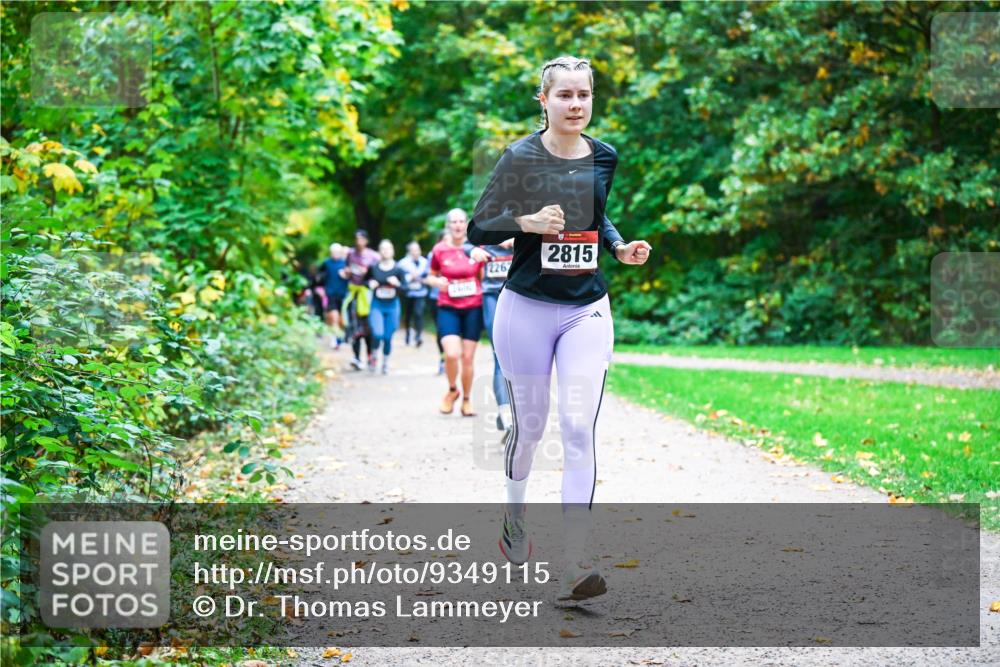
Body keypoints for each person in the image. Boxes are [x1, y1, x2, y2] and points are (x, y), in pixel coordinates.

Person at [467, 55, 651, 602]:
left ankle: (576, 560)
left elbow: (597, 216)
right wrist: (525, 223)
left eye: (584, 95)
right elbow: (480, 226)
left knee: (577, 427)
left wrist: (618, 246)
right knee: (531, 429)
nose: (576, 105)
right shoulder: (519, 157)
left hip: (585, 307)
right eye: (565, 95)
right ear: (543, 101)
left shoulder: (604, 156)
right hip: (524, 305)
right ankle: (515, 517)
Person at [427, 209, 486, 417]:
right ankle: (453, 390)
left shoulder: (475, 249)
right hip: (448, 307)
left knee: (468, 358)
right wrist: (437, 282)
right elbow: (430, 276)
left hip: (473, 307)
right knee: (452, 354)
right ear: (448, 225)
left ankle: (467, 400)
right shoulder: (440, 249)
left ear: (466, 224)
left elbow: (483, 278)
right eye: (454, 222)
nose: (458, 225)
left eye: (462, 221)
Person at [465, 239, 515, 440]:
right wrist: (472, 250)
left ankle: (515, 413)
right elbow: (459, 243)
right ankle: (507, 417)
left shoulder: (528, 224)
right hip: (492, 297)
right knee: (500, 356)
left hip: (521, 297)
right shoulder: (487, 228)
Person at [365, 240, 407, 374]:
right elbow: (365, 281)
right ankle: (374, 355)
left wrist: (397, 284)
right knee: (377, 334)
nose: (385, 251)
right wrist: (369, 283)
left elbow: (405, 289)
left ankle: (385, 363)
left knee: (388, 337)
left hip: (392, 306)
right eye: (382, 249)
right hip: (377, 305)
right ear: (379, 252)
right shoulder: (373, 268)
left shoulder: (398, 270)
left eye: (388, 249)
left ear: (392, 251)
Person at [343, 230, 380, 371]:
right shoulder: (350, 254)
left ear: (366, 240)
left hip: (368, 294)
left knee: (369, 327)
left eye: (361, 239)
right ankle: (357, 357)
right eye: (356, 238)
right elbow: (346, 270)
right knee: (354, 327)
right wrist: (346, 273)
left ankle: (371, 356)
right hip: (354, 294)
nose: (358, 241)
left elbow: (378, 274)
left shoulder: (373, 256)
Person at [397, 241, 430, 347]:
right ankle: (407, 333)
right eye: (413, 250)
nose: (415, 252)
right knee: (408, 315)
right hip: (407, 293)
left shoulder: (425, 262)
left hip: (420, 292)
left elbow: (429, 276)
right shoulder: (403, 263)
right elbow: (399, 277)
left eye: (417, 250)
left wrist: (421, 279)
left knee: (418, 313)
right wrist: (410, 277)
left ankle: (418, 336)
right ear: (409, 251)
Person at [320, 243, 349, 349]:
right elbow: (319, 277)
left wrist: (346, 275)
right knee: (334, 317)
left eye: (337, 252)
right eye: (333, 252)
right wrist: (321, 289)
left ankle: (340, 337)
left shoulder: (345, 263)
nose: (335, 254)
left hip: (343, 295)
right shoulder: (326, 263)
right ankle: (334, 339)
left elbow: (353, 277)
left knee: (342, 319)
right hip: (331, 294)